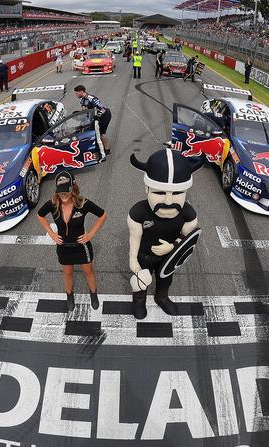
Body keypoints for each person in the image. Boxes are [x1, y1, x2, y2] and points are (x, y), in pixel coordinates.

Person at [127, 149, 204, 319]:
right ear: (147, 188)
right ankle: (139, 301)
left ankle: (161, 297)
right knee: (141, 282)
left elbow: (188, 239)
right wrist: (133, 259)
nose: (168, 202)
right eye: (160, 193)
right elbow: (135, 237)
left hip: (169, 257)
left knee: (166, 280)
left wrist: (172, 246)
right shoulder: (137, 212)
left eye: (177, 193)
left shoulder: (189, 214)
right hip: (144, 256)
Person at [36, 172, 107, 312]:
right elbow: (40, 216)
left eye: (66, 190)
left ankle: (93, 293)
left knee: (88, 271)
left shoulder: (83, 203)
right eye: (60, 191)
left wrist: (91, 234)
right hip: (63, 247)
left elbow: (103, 215)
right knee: (67, 273)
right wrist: (51, 233)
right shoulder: (52, 204)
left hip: (82, 246)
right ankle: (69, 295)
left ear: (73, 188)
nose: (63, 194)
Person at [74, 85, 111, 156]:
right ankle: (97, 146)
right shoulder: (82, 100)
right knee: (93, 131)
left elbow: (103, 108)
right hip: (95, 116)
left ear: (81, 92)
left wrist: (98, 116)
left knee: (101, 133)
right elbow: (85, 111)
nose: (76, 95)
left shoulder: (92, 98)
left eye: (77, 93)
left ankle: (107, 149)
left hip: (105, 115)